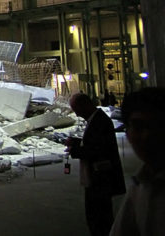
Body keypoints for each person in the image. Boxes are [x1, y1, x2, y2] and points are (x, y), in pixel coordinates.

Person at [66, 92, 126, 236]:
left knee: (100, 219)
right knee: (96, 217)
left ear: (85, 105)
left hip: (101, 179)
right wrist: (75, 142)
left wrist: (75, 150)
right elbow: (92, 143)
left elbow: (97, 149)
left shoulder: (100, 121)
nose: (77, 114)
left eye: (77, 110)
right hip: (97, 178)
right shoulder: (95, 120)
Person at [110, 87, 165, 235]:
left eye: (157, 126)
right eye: (139, 127)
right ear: (127, 133)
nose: (147, 136)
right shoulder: (139, 187)